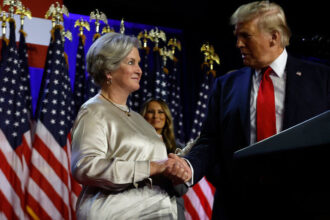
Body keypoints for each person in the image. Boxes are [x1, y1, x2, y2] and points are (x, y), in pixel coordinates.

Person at [167, 1, 330, 219]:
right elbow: (209, 141)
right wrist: (189, 165)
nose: (238, 44)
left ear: (274, 37)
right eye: (237, 36)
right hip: (238, 207)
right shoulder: (226, 85)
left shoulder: (322, 79)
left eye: (246, 36)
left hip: (304, 205)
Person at [71, 32, 187, 219]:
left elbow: (157, 167)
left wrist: (174, 169)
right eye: (131, 62)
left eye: (138, 63)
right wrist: (152, 167)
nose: (139, 70)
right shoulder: (93, 110)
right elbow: (85, 167)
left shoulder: (139, 119)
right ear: (108, 70)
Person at [140, 98, 188, 220]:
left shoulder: (178, 149)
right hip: (142, 207)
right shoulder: (135, 146)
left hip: (172, 210)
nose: (156, 115)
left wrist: (170, 171)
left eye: (161, 112)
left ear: (166, 117)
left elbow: (182, 189)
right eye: (151, 111)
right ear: (143, 116)